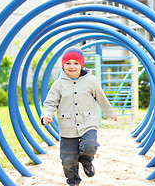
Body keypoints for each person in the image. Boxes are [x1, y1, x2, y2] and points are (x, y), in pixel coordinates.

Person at [41, 46, 117, 186]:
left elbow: (101, 97)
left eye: (76, 63)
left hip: (88, 122)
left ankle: (87, 161)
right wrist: (46, 114)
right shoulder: (58, 84)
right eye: (68, 63)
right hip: (67, 126)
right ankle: (73, 180)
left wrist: (110, 113)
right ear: (63, 65)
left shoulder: (91, 80)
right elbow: (50, 102)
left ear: (81, 64)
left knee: (90, 146)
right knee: (68, 159)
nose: (72, 66)